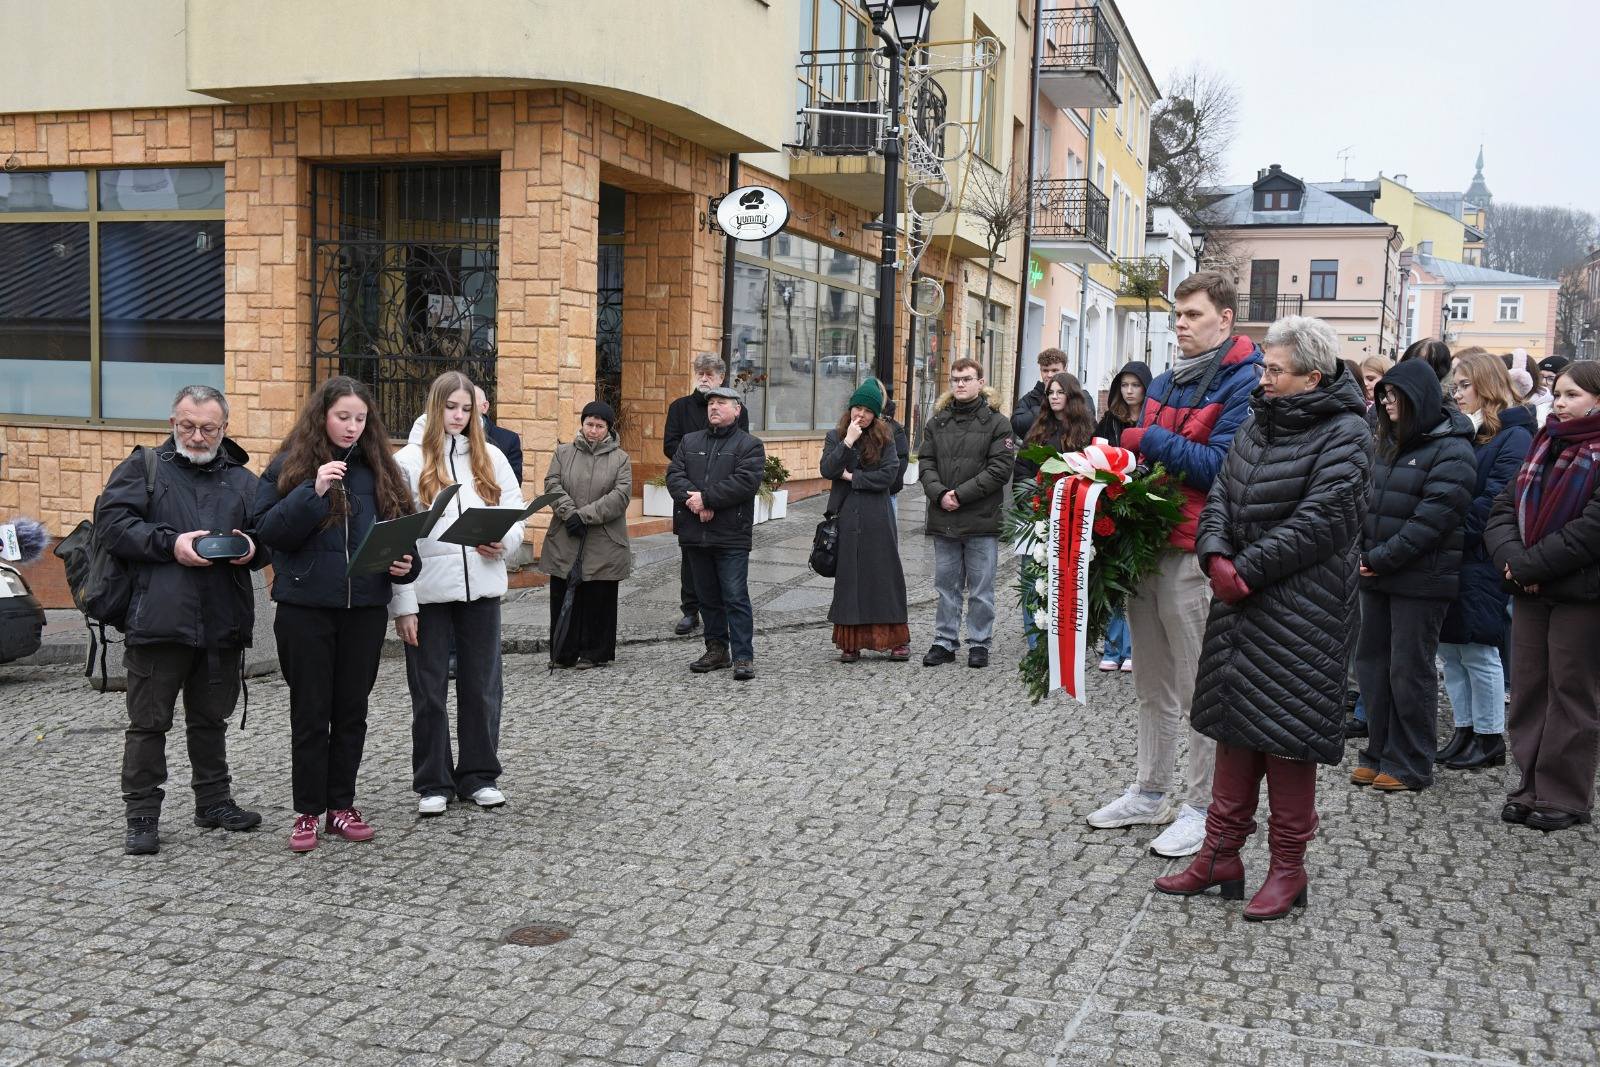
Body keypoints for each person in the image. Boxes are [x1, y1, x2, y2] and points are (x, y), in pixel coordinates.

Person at [1156, 315, 1372, 920]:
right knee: (1233, 729)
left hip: (1302, 611)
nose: (1263, 377)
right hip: (1239, 602)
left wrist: (1245, 570)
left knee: (1287, 740)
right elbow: (1222, 494)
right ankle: (1219, 855)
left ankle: (1287, 868)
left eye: (1275, 369)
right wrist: (1215, 553)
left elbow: (1325, 517)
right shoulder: (1258, 420)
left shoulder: (1348, 432)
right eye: (1263, 367)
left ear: (1313, 376)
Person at [1086, 272, 1264, 860]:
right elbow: (1145, 460)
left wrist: (1144, 439)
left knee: (1198, 688)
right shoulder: (1165, 380)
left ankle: (1203, 806)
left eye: (1193, 315)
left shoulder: (1246, 381)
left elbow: (1220, 467)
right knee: (1151, 682)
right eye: (1177, 315)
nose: (1181, 325)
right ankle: (1150, 789)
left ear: (1225, 318)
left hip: (1196, 550)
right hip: (1149, 543)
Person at [254, 376, 421, 852]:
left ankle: (341, 806)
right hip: (305, 609)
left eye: (360, 418)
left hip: (363, 610)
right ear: (322, 416)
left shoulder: (381, 468)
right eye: (342, 417)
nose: (352, 427)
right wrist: (313, 490)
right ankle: (307, 812)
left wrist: (406, 564)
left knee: (352, 711)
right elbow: (268, 533)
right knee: (311, 712)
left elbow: (403, 535)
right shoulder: (289, 466)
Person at [99, 385, 267, 856]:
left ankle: (213, 802)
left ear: (224, 428)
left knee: (211, 719)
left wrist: (253, 549)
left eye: (207, 428)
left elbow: (268, 534)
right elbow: (113, 525)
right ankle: (141, 816)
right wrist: (171, 543)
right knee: (149, 724)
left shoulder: (243, 479)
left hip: (222, 620)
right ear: (172, 423)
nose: (196, 437)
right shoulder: (143, 468)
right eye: (187, 426)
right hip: (159, 619)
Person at [390, 372, 524, 816]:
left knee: (482, 687)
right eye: (451, 407)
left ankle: (479, 775)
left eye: (466, 409)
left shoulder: (491, 456)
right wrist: (403, 604)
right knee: (428, 691)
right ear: (435, 406)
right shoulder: (408, 461)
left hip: (481, 589)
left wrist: (505, 541)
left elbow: (515, 513)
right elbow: (397, 538)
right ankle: (433, 781)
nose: (459, 416)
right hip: (427, 593)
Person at [1485, 361, 1600, 833]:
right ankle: (1529, 786)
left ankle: (1564, 795)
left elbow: (1591, 530)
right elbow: (1502, 510)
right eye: (1560, 394)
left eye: (1573, 395)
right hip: (1530, 589)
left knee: (1571, 693)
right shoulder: (1544, 443)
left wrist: (1530, 566)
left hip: (1580, 594)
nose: (1561, 402)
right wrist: (1514, 562)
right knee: (1530, 690)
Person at [1351, 360, 1475, 793]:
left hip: (1420, 580)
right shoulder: (1389, 443)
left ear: (1416, 398)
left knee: (1409, 672)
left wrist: (1381, 557)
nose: (1386, 403)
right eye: (1384, 396)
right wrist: (1364, 554)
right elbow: (1367, 503)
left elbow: (1432, 520)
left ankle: (1410, 762)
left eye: (1393, 396)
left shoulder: (1453, 449)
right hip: (1377, 573)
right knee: (1373, 668)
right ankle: (1378, 751)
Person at [1435, 353, 1533, 771]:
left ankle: (1490, 736)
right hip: (1451, 553)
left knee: (1478, 648)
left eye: (1464, 386)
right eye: (1454, 386)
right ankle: (1465, 729)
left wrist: (1445, 531)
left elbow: (1496, 499)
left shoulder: (1514, 436)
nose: (1457, 394)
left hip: (1477, 555)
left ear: (1487, 387)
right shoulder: (1470, 432)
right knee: (1451, 648)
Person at [918, 357, 1014, 669]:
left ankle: (979, 643)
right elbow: (926, 463)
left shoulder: (998, 423)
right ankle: (944, 642)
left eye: (967, 379)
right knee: (946, 587)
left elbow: (1000, 469)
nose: (960, 384)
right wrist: (939, 493)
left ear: (980, 383)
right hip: (944, 517)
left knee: (981, 589)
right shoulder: (937, 422)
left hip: (981, 520)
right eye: (956, 379)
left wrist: (959, 495)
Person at [666, 385, 764, 681]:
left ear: (737, 409)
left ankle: (743, 655)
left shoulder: (750, 445)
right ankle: (717, 650)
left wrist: (707, 499)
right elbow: (674, 477)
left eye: (721, 402)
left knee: (734, 596)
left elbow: (745, 482)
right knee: (707, 597)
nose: (714, 407)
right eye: (711, 403)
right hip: (696, 533)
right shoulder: (690, 441)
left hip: (731, 534)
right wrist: (695, 502)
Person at [821, 379, 909, 662]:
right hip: (847, 515)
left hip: (877, 515)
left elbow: (890, 475)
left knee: (884, 576)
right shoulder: (835, 436)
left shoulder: (886, 437)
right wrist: (848, 441)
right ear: (850, 408)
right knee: (850, 578)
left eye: (868, 410)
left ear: (875, 414)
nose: (862, 414)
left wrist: (853, 477)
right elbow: (828, 469)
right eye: (858, 408)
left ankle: (895, 640)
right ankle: (851, 642)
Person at [540, 400, 633, 669]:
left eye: (599, 426)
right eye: (589, 424)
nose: (593, 430)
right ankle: (563, 652)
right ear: (582, 424)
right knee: (563, 594)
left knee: (598, 596)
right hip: (566, 534)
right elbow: (552, 484)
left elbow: (620, 495)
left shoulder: (621, 459)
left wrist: (584, 515)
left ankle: (595, 652)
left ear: (608, 428)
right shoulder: (563, 452)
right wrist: (569, 513)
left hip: (604, 538)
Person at [664, 353, 749, 637]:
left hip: (722, 501)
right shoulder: (679, 407)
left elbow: (741, 451)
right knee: (690, 557)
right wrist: (695, 493)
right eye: (700, 372)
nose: (704, 378)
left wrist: (710, 496)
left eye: (710, 374)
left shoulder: (737, 409)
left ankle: (720, 611)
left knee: (725, 561)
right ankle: (690, 610)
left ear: (721, 378)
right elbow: (670, 445)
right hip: (688, 495)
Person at [1092, 361, 1151, 672]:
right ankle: (1113, 646)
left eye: (1135, 385)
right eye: (1125, 385)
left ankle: (1134, 647)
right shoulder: (1109, 421)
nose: (1129, 391)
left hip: (1143, 501)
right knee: (1113, 576)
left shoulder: (1153, 418)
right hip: (1113, 500)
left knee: (1135, 578)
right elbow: (1096, 454)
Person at [1017, 371, 1094, 480]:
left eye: (1060, 392)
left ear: (1071, 395)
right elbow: (1022, 466)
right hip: (1039, 488)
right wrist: (1032, 488)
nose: (1054, 397)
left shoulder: (1087, 427)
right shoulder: (1039, 426)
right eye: (1051, 392)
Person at [1012, 347, 1090, 441]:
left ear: (1065, 369)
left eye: (1054, 370)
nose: (1049, 375)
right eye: (1045, 370)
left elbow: (1087, 421)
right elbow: (1017, 424)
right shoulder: (1031, 398)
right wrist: (1045, 409)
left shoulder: (1080, 395)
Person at [473, 385, 523, 485]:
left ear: (484, 407)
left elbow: (512, 484)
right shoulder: (449, 436)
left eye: (469, 405)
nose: (461, 411)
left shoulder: (508, 440)